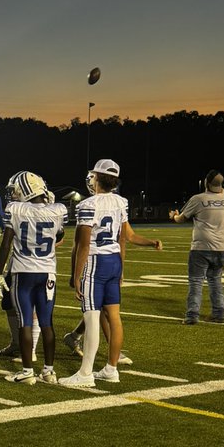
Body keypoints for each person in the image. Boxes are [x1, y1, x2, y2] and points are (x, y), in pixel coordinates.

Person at [60, 158, 162, 388]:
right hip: (114, 261)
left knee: (92, 317)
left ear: (96, 178)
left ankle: (85, 373)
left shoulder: (88, 205)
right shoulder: (121, 202)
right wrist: (145, 246)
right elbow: (126, 237)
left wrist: (76, 276)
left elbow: (84, 245)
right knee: (114, 317)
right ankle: (111, 369)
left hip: (96, 262)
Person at [0, 171, 68, 385]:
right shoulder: (57, 210)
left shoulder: (15, 209)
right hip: (47, 273)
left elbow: (6, 243)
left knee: (25, 322)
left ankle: (27, 371)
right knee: (47, 323)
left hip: (23, 272)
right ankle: (49, 371)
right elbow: (59, 235)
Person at [170, 170, 224, 324]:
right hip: (223, 247)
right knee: (215, 280)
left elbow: (181, 219)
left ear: (206, 183)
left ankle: (192, 316)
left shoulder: (198, 199)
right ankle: (219, 313)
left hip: (202, 247)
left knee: (196, 282)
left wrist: (173, 216)